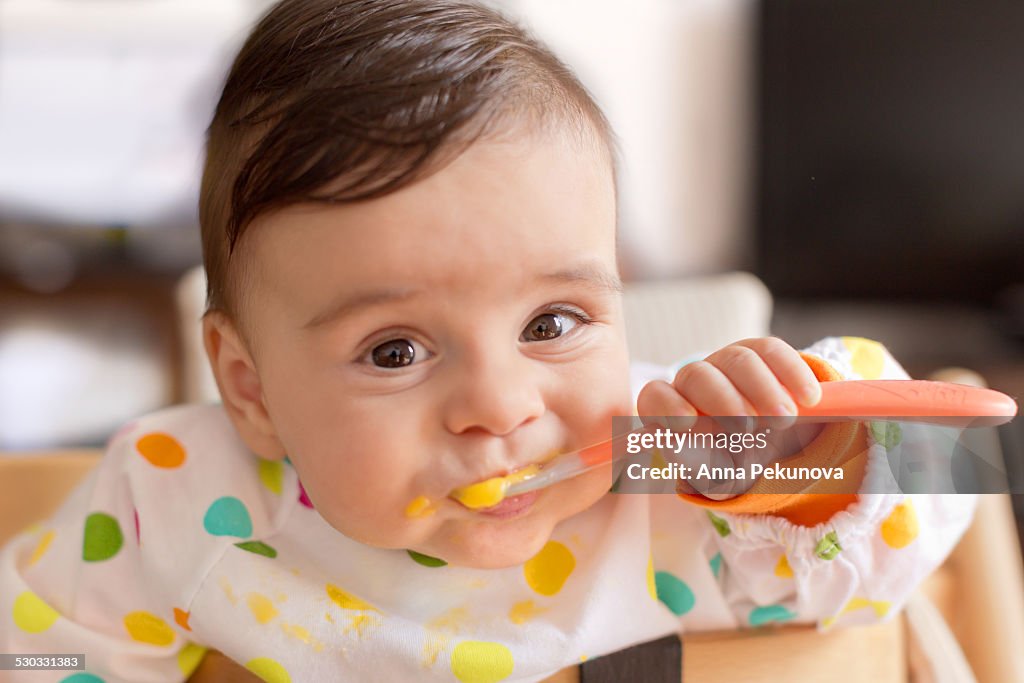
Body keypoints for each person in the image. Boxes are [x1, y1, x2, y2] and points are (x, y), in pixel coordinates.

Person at [0, 1, 974, 681]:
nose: (500, 406)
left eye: (552, 323)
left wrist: (800, 466)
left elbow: (949, 476)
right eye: (395, 350)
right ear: (251, 390)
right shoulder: (178, 498)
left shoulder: (679, 458)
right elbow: (33, 648)